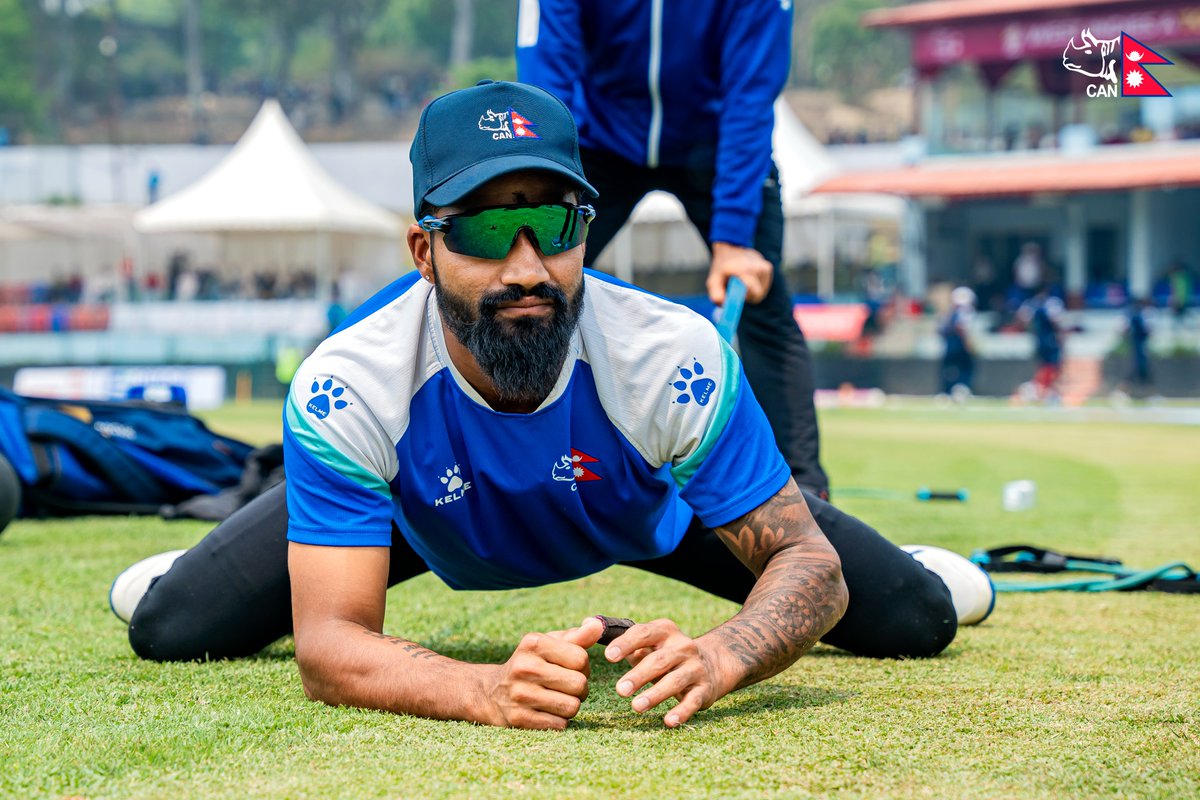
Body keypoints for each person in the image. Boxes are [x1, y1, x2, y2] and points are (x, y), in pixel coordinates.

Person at [112, 81, 987, 732]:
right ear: (424, 248)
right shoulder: (348, 383)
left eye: (557, 227)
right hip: (421, 522)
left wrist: (724, 655)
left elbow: (810, 567)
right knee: (169, 627)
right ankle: (195, 564)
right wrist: (481, 688)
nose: (527, 267)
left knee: (917, 616)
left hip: (654, 510)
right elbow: (332, 647)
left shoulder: (668, 354)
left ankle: (900, 556)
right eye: (489, 231)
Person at [516, 0, 829, 498]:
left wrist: (733, 238)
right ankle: (511, 465)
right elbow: (547, 85)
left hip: (714, 138)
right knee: (527, 287)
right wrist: (549, 203)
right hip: (599, 141)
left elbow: (750, 95)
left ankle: (804, 491)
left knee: (760, 298)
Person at [939, 287, 976, 399]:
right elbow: (962, 328)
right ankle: (959, 390)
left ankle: (948, 391)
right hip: (960, 346)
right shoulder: (965, 312)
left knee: (950, 370)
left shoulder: (949, 314)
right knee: (964, 369)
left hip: (950, 346)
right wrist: (968, 344)